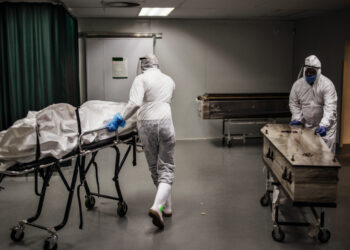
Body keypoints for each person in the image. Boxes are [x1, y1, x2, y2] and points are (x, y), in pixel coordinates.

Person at [106, 54, 176, 229]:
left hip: (146, 123)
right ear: (157, 64)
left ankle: (157, 207)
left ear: (143, 66)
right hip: (166, 122)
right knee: (166, 167)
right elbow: (165, 100)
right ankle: (166, 207)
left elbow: (135, 103)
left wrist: (119, 119)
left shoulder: (141, 79)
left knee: (155, 168)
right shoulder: (169, 80)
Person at [289, 55, 337, 153]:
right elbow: (294, 103)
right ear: (304, 70)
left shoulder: (327, 84)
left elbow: (330, 106)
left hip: (326, 129)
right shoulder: (298, 85)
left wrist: (324, 124)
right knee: (307, 154)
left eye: (312, 72)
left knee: (326, 156)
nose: (309, 74)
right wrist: (297, 118)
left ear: (318, 71)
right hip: (307, 125)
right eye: (308, 72)